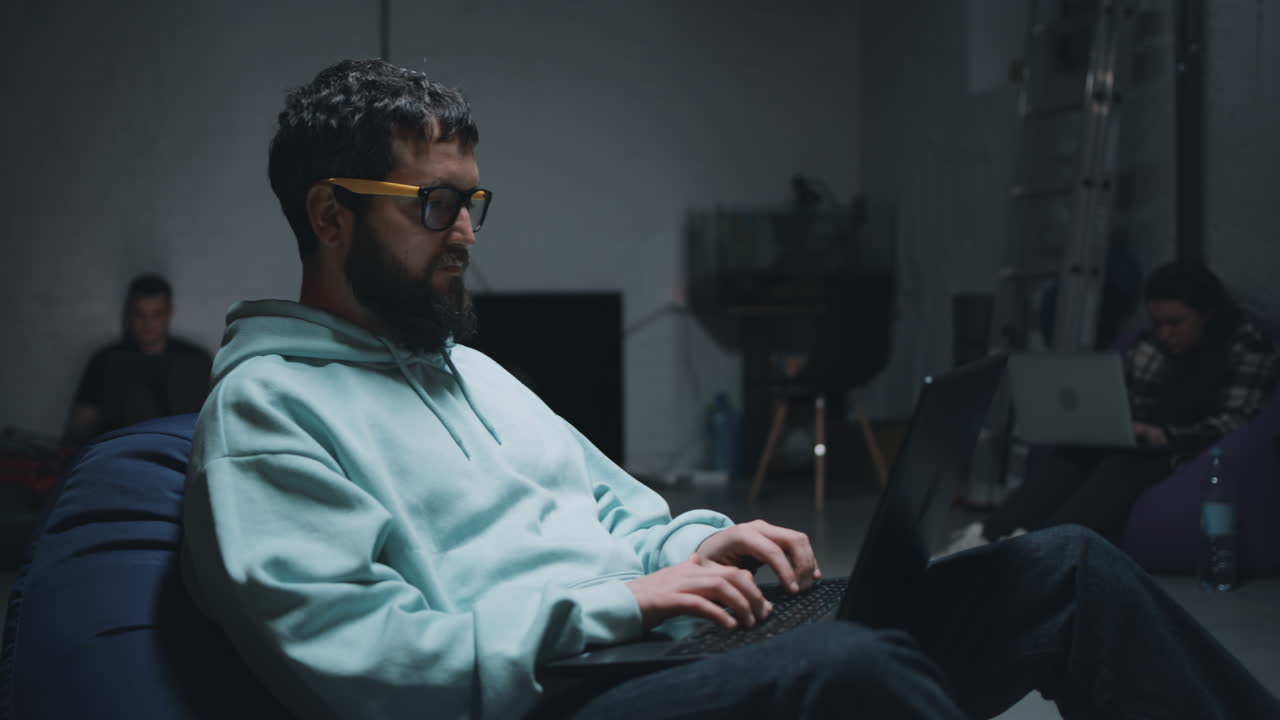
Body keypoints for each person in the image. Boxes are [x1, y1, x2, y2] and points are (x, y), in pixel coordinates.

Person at [179, 59, 1280, 720]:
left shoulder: (468, 371)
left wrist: (697, 550)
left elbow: (628, 515)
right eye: (433, 207)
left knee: (1062, 569)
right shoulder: (269, 410)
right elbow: (353, 661)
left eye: (474, 203)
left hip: (649, 653)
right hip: (554, 701)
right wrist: (610, 608)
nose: (464, 233)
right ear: (328, 215)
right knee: (846, 669)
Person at [950, 260, 1280, 551]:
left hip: (1188, 449)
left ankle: (1047, 549)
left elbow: (1237, 423)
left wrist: (1166, 436)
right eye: (1157, 323)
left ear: (1208, 314)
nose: (1164, 333)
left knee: (1122, 465)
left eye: (1175, 323)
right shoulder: (1154, 347)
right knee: (1074, 455)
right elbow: (1117, 395)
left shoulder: (1246, 348)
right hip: (1143, 439)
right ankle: (988, 539)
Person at [62, 273, 213, 447]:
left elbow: (212, 423)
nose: (147, 324)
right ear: (129, 314)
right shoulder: (106, 360)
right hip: (117, 456)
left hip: (177, 458)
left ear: (169, 313)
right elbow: (79, 425)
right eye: (140, 314)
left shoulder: (195, 361)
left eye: (155, 315)